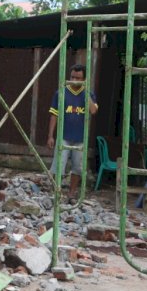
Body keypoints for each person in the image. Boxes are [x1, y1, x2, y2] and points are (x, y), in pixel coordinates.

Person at [47, 63, 98, 199]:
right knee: (59, 166)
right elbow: (54, 115)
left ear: (84, 79)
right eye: (72, 77)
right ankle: (56, 192)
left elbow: (93, 110)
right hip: (63, 136)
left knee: (78, 168)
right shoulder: (61, 93)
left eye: (78, 78)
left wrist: (86, 93)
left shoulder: (89, 94)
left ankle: (71, 193)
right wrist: (50, 136)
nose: (75, 80)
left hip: (81, 138)